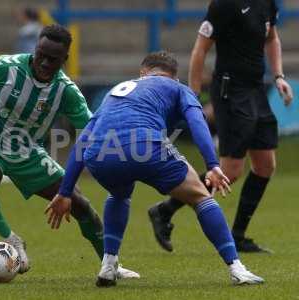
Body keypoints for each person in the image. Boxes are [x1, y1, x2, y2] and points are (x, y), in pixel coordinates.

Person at [0, 24, 138, 279]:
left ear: (64, 60)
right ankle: (14, 241)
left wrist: (121, 152)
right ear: (35, 49)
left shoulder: (66, 91)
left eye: (52, 59)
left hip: (29, 154)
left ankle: (112, 266)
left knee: (82, 206)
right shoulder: (4, 68)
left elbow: (91, 131)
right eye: (40, 54)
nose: (43, 62)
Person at [45, 51, 264, 287]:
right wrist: (212, 165)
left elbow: (84, 139)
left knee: (119, 193)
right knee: (200, 196)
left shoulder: (117, 90)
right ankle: (237, 268)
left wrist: (66, 192)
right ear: (174, 77)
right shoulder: (177, 88)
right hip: (144, 146)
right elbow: (197, 122)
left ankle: (108, 265)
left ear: (143, 73)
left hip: (99, 154)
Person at [148, 0, 294, 253]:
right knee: (230, 170)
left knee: (265, 165)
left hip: (256, 90)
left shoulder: (267, 3)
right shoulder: (224, 4)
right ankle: (164, 210)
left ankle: (238, 235)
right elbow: (200, 50)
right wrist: (192, 96)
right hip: (230, 92)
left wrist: (279, 75)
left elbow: (272, 38)